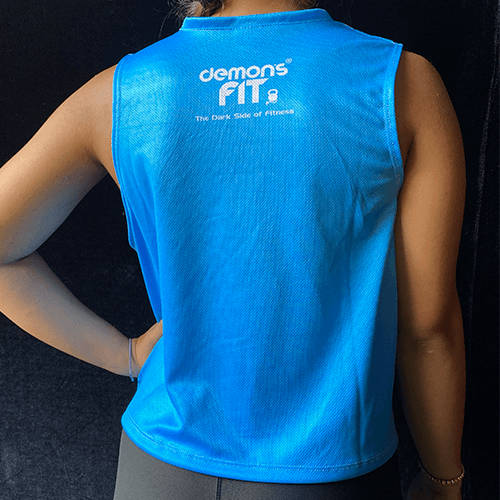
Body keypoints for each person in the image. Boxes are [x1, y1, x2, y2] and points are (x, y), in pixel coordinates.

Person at [0, 0, 467, 498]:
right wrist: (443, 479)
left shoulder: (121, 92)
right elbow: (428, 328)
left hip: (157, 469)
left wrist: (126, 355)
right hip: (324, 473)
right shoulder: (398, 83)